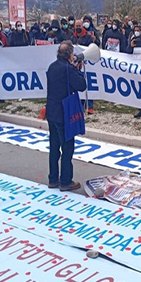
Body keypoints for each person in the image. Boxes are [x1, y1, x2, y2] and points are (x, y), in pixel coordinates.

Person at [45, 41, 87, 191]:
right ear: (70, 54)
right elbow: (82, 85)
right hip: (64, 113)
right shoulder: (68, 69)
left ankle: (53, 179)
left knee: (54, 147)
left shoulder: (52, 66)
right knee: (67, 148)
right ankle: (66, 181)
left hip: (51, 112)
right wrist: (78, 71)